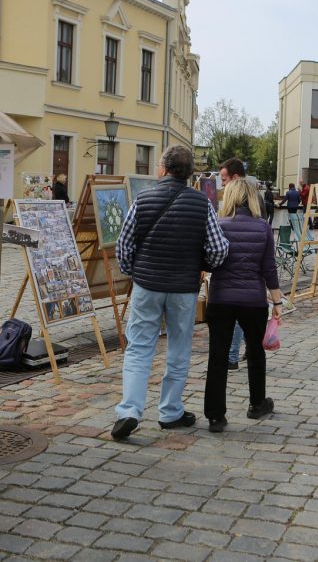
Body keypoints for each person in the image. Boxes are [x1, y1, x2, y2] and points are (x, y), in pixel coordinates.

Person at [112, 145, 229, 440]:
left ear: (163, 169)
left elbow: (123, 247)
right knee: (179, 348)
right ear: (190, 173)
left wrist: (134, 270)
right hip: (183, 288)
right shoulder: (203, 204)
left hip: (147, 285)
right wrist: (202, 266)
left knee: (139, 347)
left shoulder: (143, 198)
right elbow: (218, 249)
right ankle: (170, 411)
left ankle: (129, 411)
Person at [204, 178, 282, 432]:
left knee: (217, 356)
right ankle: (257, 403)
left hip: (221, 298)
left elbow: (209, 260)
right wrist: (278, 301)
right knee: (256, 353)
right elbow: (269, 268)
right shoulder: (262, 228)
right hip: (252, 300)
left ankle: (216, 415)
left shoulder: (218, 225)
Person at [218, 158, 265, 370]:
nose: (222, 184)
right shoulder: (256, 199)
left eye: (224, 179)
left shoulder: (237, 207)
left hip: (238, 272)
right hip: (252, 276)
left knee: (238, 316)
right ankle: (248, 351)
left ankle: (231, 356)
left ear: (235, 178)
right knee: (247, 315)